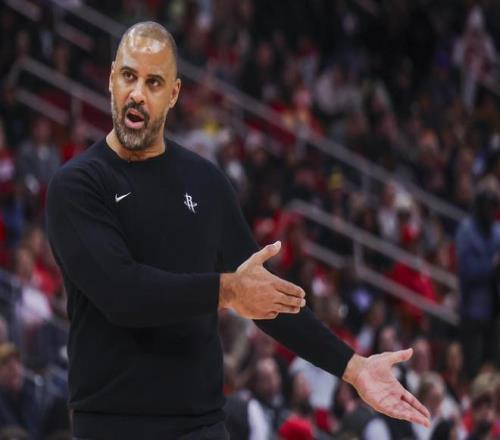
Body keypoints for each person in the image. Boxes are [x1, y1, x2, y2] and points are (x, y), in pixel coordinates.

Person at [45, 21, 431, 439]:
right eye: (128, 76)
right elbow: (123, 295)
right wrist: (228, 290)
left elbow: (264, 298)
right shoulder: (78, 185)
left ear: (173, 93)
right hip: (113, 426)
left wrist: (353, 368)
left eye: (153, 82)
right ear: (110, 80)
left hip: (202, 424)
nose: (137, 93)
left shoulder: (205, 182)